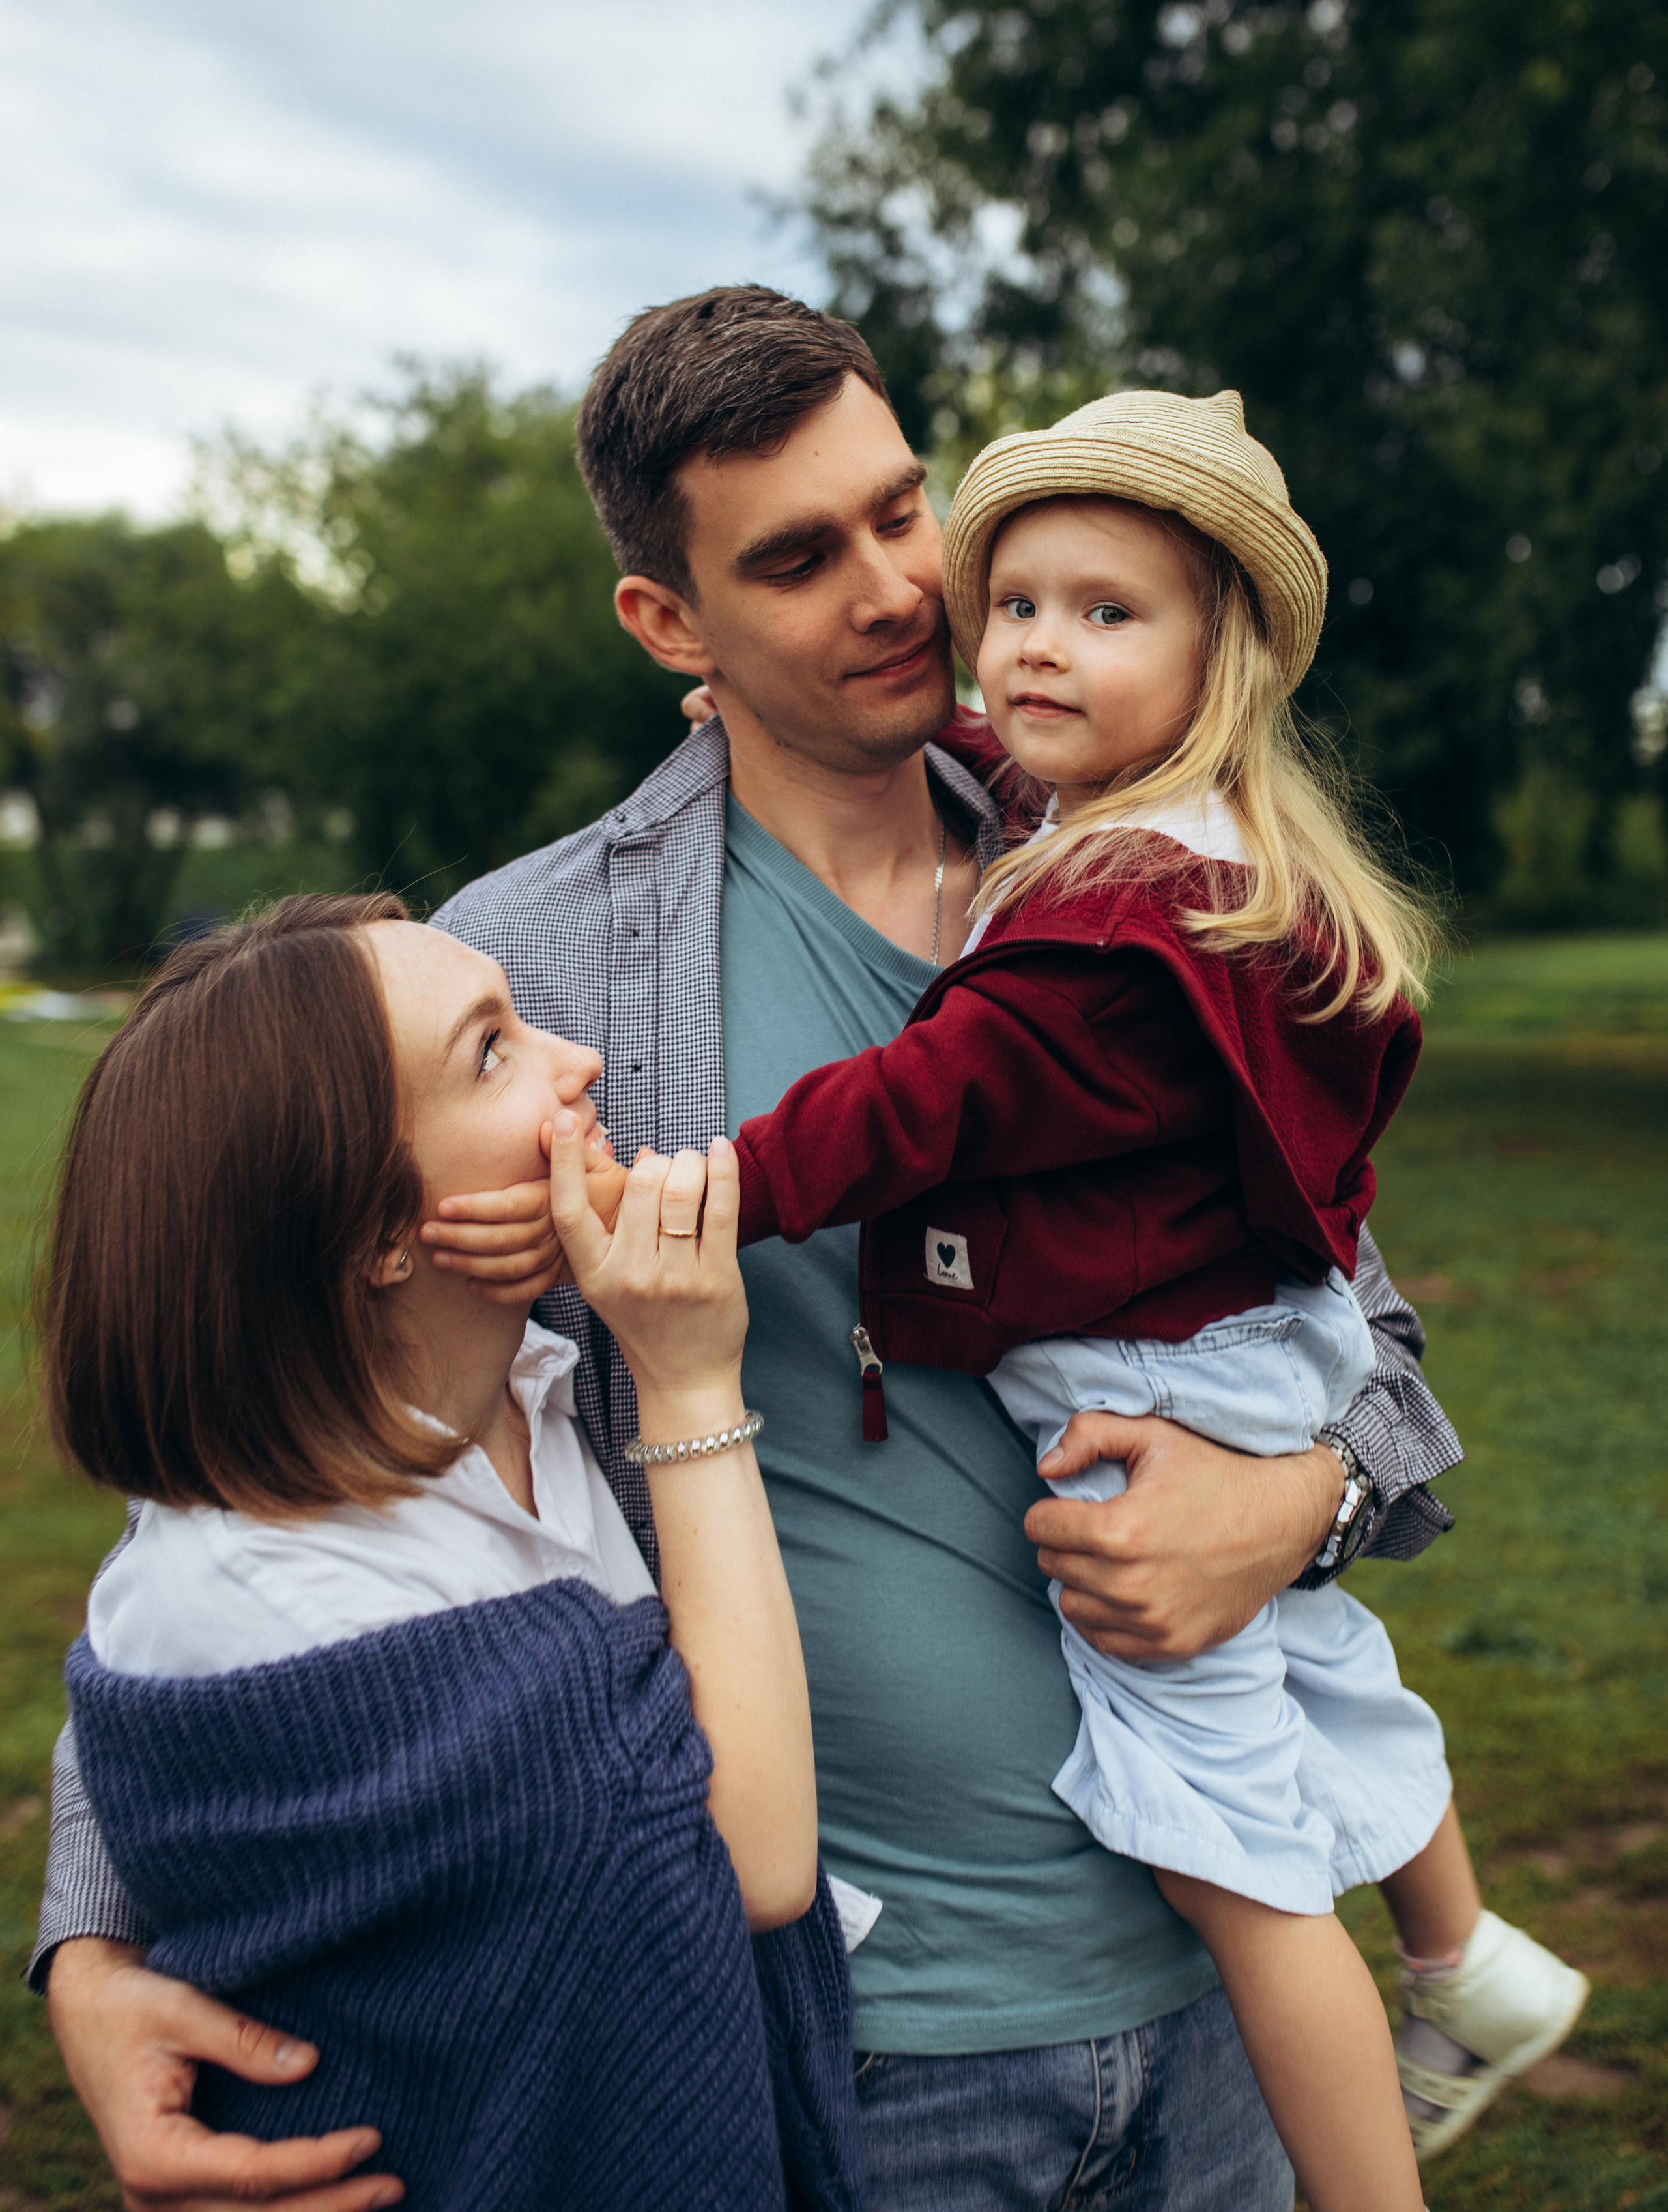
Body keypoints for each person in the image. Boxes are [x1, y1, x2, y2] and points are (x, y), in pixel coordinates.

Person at [37, 291, 1466, 2212]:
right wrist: (94, 1944)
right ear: (670, 624)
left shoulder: (1148, 876)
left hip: (1221, 1962)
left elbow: (1359, 1329)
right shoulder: (524, 972)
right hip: (855, 2044)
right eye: (799, 559)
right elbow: (243, 1451)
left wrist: (1299, 1501)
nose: (895, 589)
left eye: (903, 515)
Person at [718, 388, 1590, 2196]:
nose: (1039, 646)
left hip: (1155, 1404)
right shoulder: (1181, 840)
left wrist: (711, 1187)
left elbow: (908, 1109)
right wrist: (933, 708)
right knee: (1313, 1659)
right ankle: (1469, 1952)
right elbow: (1023, 739)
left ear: (1220, 665)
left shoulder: (1101, 932)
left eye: (1106, 615)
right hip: (1252, 1347)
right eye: (1018, 601)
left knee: (1244, 1880)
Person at [39, 892, 861, 2212]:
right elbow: (745, 1858)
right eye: (493, 1050)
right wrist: (692, 1382)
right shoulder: (283, 1591)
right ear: (368, 1235)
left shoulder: (517, 1387)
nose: (577, 1060)